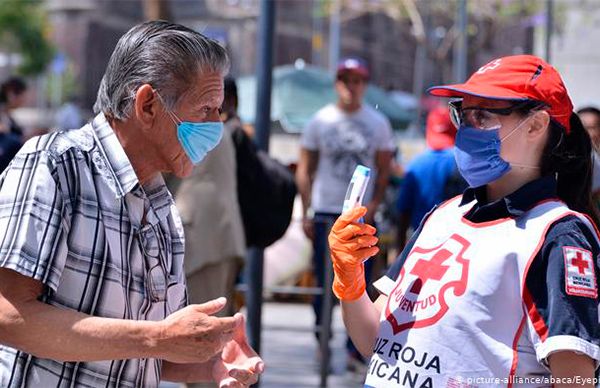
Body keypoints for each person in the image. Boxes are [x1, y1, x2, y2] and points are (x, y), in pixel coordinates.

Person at [0, 21, 263, 387]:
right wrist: (157, 338)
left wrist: (212, 366)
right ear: (148, 105)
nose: (215, 128)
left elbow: (142, 353)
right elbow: (7, 315)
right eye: (205, 110)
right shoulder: (56, 166)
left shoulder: (160, 208)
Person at [328, 55, 600, 387]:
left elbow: (575, 378)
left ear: (535, 125)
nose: (468, 129)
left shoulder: (556, 233)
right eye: (464, 113)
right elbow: (377, 343)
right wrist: (350, 282)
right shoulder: (444, 215)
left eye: (483, 115)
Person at [296, 57, 394, 368]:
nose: (351, 86)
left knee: (361, 285)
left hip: (361, 215)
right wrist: (307, 209)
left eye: (357, 80)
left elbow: (384, 168)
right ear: (337, 83)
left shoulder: (378, 123)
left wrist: (376, 203)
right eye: (345, 79)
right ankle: (321, 342)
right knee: (324, 284)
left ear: (364, 85)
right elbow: (305, 169)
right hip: (327, 213)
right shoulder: (320, 121)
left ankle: (356, 350)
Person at [173, 76, 245, 323]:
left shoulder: (193, 128)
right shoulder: (216, 129)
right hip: (220, 236)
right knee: (213, 325)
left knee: (200, 328)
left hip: (202, 239)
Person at [396, 105, 465, 250]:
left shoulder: (415, 165)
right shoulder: (464, 163)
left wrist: (399, 255)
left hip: (421, 244)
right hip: (458, 243)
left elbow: (403, 214)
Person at [0, 76, 27, 172]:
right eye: (23, 95)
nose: (24, 100)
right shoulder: (2, 114)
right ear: (11, 93)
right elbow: (6, 139)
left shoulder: (7, 115)